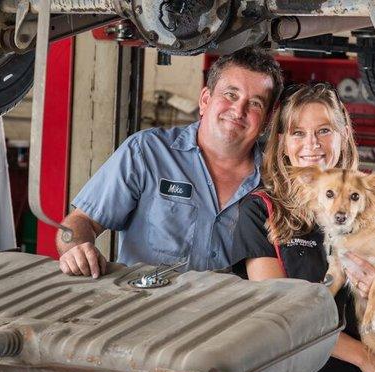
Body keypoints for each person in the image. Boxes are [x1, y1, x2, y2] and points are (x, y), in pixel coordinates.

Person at [230, 83, 375, 372]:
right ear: (283, 143)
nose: (311, 144)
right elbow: (280, 315)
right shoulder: (260, 211)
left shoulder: (370, 207)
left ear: (343, 135)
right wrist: (362, 356)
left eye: (324, 130)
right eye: (297, 133)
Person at [56, 47, 284, 278]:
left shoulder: (278, 178)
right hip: (146, 305)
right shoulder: (146, 152)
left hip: (229, 312)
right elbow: (80, 221)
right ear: (205, 100)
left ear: (266, 121)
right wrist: (75, 248)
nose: (238, 110)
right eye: (231, 95)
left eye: (255, 103)